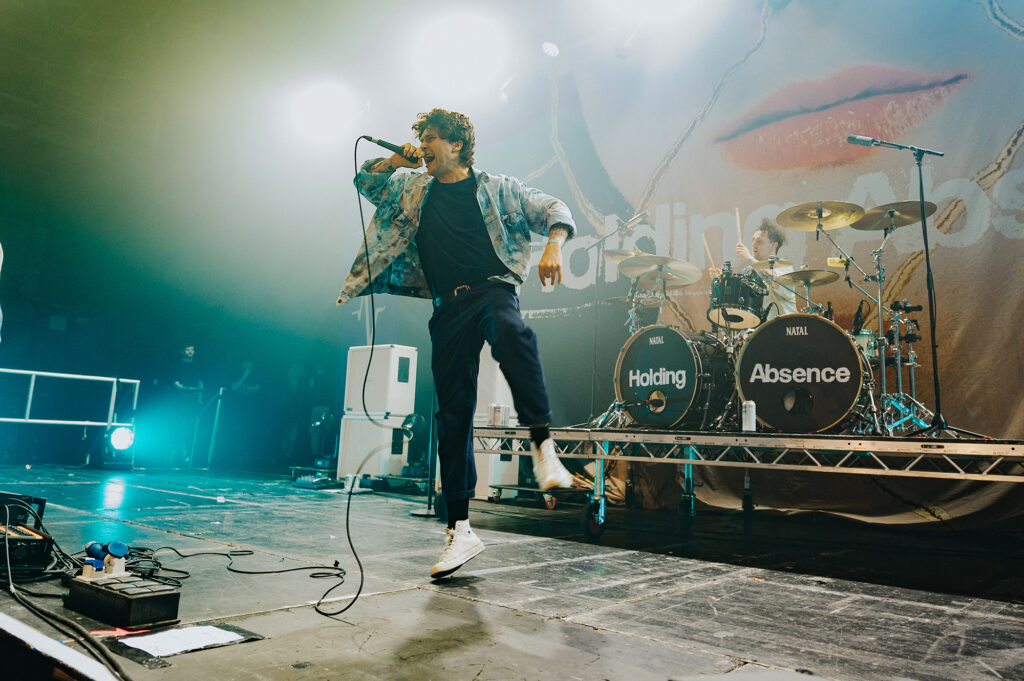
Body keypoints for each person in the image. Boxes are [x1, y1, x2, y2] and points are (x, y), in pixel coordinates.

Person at [337, 108, 576, 579]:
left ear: (456, 145)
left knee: (513, 335)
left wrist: (553, 245)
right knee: (453, 413)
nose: (422, 145)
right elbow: (364, 182)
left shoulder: (497, 187)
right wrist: (396, 163)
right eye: (419, 139)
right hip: (447, 307)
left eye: (430, 139)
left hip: (492, 290)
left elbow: (554, 209)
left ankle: (543, 446)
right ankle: (460, 529)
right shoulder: (412, 187)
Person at [709, 219, 798, 320]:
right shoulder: (747, 272)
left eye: (759, 241)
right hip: (758, 330)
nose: (754, 244)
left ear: (774, 245)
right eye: (753, 240)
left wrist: (749, 259)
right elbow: (736, 304)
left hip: (785, 327)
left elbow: (775, 282)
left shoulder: (783, 267)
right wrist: (721, 282)